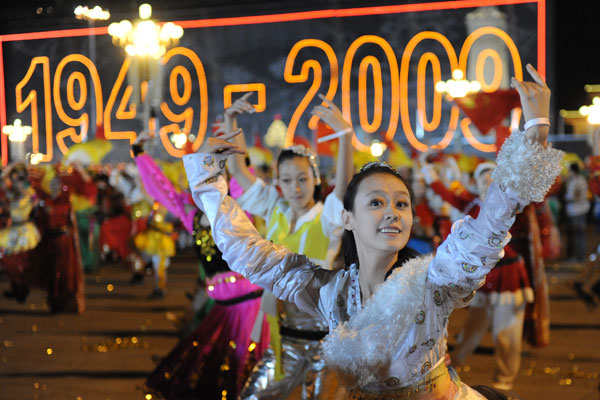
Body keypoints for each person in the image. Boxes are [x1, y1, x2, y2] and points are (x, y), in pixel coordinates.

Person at [183, 64, 563, 399]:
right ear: (347, 218)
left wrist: (534, 132)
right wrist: (207, 180)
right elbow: (248, 253)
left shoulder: (435, 281)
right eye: (376, 203)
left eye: (401, 204)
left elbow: (492, 222)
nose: (392, 214)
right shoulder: (329, 293)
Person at [225, 93, 353, 399]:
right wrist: (230, 122)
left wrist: (345, 137)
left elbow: (345, 187)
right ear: (278, 182)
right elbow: (240, 173)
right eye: (286, 180)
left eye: (302, 179)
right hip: (283, 336)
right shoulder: (275, 208)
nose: (295, 188)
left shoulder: (328, 215)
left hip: (326, 338)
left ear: (315, 178)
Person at [564, 162, 590, 263]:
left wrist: (564, 197)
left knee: (574, 235)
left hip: (574, 212)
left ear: (572, 171)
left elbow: (571, 196)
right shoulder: (583, 179)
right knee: (581, 235)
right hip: (583, 210)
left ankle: (573, 257)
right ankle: (581, 256)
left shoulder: (574, 181)